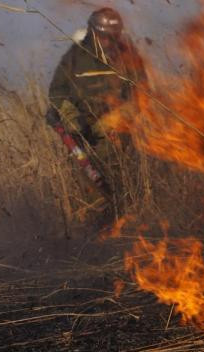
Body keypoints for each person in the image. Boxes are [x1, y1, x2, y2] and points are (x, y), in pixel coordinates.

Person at [46, 7, 147, 223]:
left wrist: (113, 121)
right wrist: (72, 119)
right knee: (89, 186)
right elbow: (57, 92)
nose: (108, 42)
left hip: (117, 130)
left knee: (121, 181)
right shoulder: (74, 57)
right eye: (102, 36)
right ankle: (97, 228)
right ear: (92, 33)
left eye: (113, 37)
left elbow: (142, 95)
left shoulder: (128, 56)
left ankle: (125, 221)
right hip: (80, 131)